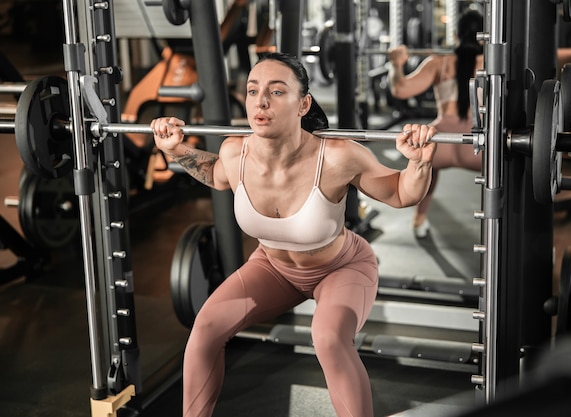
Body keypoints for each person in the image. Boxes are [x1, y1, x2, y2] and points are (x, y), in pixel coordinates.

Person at [151, 52, 437, 417]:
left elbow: (402, 193)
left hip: (341, 267)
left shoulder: (336, 157)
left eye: (276, 91)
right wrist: (176, 150)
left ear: (303, 104)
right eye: (253, 91)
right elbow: (216, 175)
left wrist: (419, 162)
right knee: (205, 329)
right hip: (272, 268)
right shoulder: (234, 152)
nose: (261, 101)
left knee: (329, 339)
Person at [387, 9, 484, 239]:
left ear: (455, 34)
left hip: (440, 143)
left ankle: (419, 220)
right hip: (478, 148)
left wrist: (396, 64)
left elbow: (399, 89)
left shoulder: (438, 62)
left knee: (427, 170)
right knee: (508, 175)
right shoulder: (496, 63)